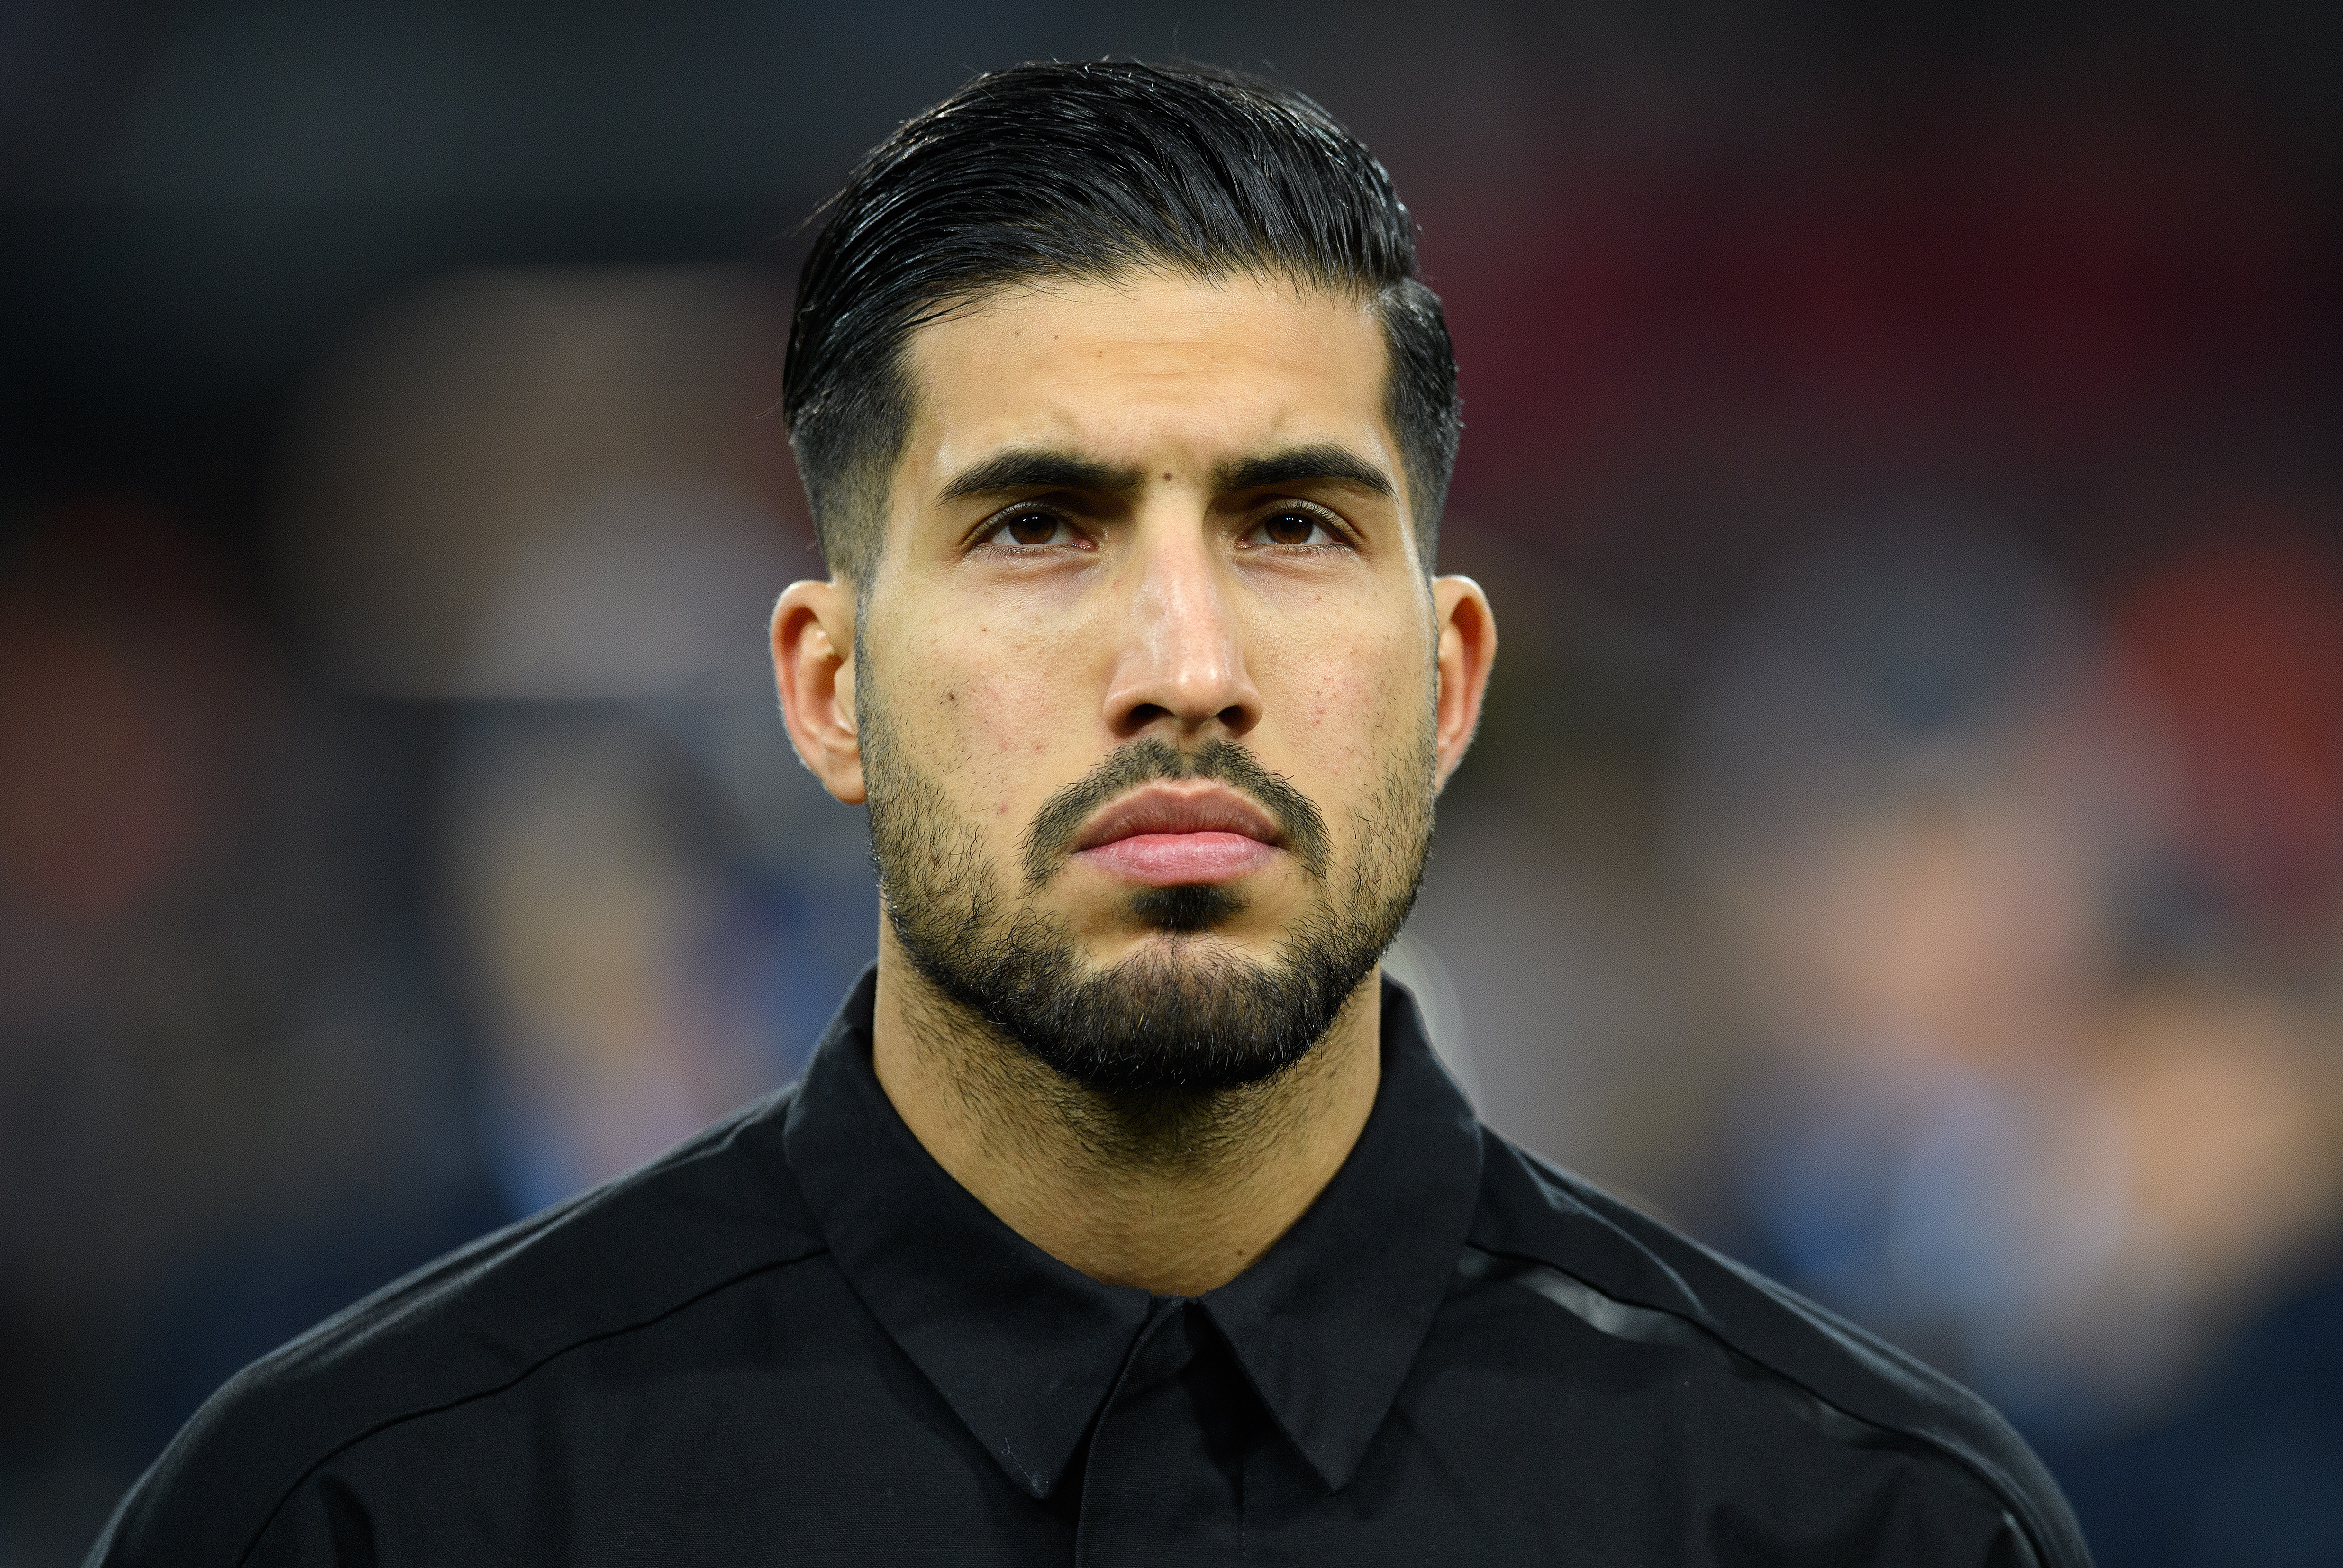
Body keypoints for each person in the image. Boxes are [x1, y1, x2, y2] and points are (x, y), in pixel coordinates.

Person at [86, 61, 2091, 1567]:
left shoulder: (1861, 1528)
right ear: (828, 687)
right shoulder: (365, 1516)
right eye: (1039, 528)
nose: (1184, 660)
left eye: (1294, 525)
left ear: (1455, 677)